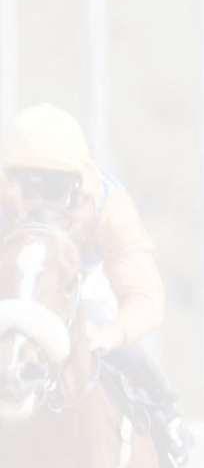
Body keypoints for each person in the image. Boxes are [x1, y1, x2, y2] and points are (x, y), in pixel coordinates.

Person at [0, 104, 192, 467]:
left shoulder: (108, 205)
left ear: (78, 183)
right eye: (29, 185)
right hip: (16, 280)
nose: (40, 201)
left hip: (84, 281)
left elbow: (144, 294)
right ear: (8, 179)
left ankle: (167, 418)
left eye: (54, 187)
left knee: (111, 328)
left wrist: (112, 334)